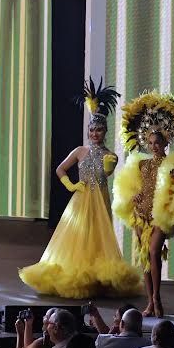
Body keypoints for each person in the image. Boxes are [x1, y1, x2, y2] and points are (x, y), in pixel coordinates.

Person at [20, 78, 135, 297]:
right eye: (92, 130)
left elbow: (106, 174)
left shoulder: (110, 155)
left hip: (99, 201)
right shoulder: (80, 151)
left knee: (97, 237)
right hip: (80, 199)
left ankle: (96, 280)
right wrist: (71, 185)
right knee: (76, 237)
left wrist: (109, 165)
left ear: (105, 132)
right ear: (88, 131)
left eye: (99, 130)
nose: (95, 134)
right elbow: (60, 169)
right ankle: (76, 277)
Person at [113, 92, 174, 318]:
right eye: (150, 143)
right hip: (141, 214)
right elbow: (140, 188)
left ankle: (157, 298)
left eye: (157, 142)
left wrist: (172, 188)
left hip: (159, 216)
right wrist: (136, 196)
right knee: (144, 257)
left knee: (153, 252)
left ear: (166, 142)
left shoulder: (173, 165)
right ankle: (149, 302)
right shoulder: (142, 165)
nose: (153, 146)